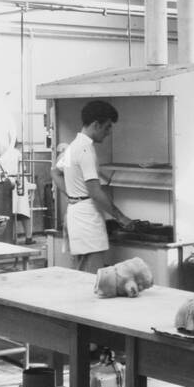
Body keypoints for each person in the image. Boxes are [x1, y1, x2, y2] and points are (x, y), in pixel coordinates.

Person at [58, 100, 132, 271]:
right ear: (96, 124)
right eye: (107, 127)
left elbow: (55, 172)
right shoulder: (85, 150)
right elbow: (95, 192)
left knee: (81, 275)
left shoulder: (72, 147)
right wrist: (121, 217)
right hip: (87, 221)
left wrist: (72, 195)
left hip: (76, 215)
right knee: (90, 279)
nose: (109, 133)